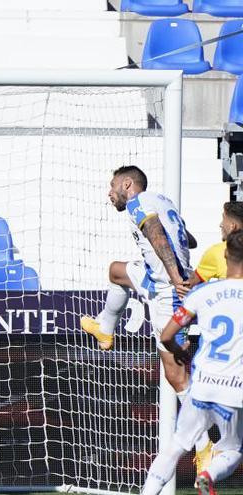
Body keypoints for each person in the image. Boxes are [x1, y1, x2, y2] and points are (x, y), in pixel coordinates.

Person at [79, 165, 213, 470]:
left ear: (127, 184)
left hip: (167, 289)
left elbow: (156, 235)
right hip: (155, 277)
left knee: (176, 376)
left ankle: (206, 446)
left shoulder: (139, 204)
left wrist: (174, 274)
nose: (109, 193)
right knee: (116, 271)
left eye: (112, 186)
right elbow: (186, 239)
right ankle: (105, 328)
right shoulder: (162, 201)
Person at [141, 229, 243, 495]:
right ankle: (208, 474)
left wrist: (179, 348)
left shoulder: (205, 292)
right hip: (233, 389)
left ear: (225, 255)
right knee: (232, 449)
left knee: (176, 446)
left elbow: (166, 335)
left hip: (202, 385)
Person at [188, 201, 243, 287]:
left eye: (223, 219)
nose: (220, 224)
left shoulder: (216, 252)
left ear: (233, 226)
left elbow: (189, 286)